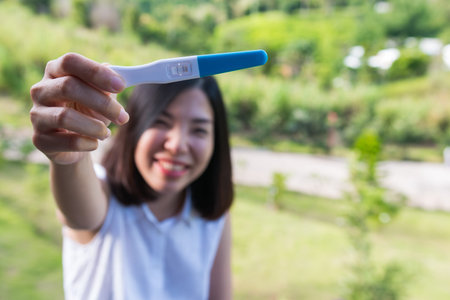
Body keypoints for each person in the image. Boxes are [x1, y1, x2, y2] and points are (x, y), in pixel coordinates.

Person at [29, 53, 233, 300]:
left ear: (216, 141)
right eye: (161, 121)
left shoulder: (211, 214)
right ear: (133, 127)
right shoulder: (104, 194)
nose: (178, 145)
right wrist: (71, 152)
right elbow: (79, 215)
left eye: (199, 130)